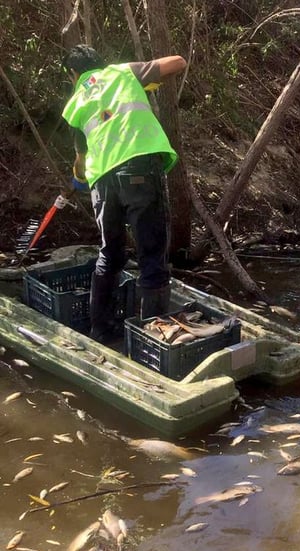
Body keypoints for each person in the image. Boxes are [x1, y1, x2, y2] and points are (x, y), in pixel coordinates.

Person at [61, 44, 186, 341]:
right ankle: (153, 342)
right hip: (139, 166)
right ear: (101, 63)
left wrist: (78, 178)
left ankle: (101, 330)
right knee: (151, 254)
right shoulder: (121, 73)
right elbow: (177, 62)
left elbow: (80, 162)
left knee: (110, 254)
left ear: (74, 74)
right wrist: (148, 78)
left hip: (102, 181)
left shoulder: (76, 102)